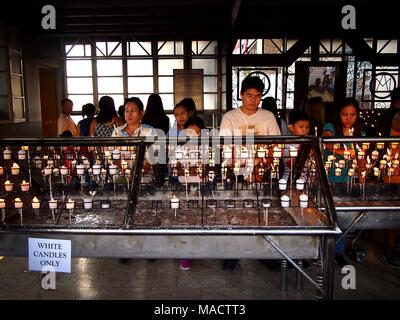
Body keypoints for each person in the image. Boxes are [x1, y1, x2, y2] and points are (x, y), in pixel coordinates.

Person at [219, 76, 280, 272]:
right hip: (237, 172)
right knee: (237, 211)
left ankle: (265, 253)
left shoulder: (268, 117)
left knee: (264, 213)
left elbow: (276, 146)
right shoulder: (230, 117)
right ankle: (234, 253)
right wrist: (245, 171)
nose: (253, 100)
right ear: (241, 95)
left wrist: (263, 168)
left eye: (257, 96)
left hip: (264, 172)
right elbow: (226, 148)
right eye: (249, 95)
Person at [322, 98, 366, 269]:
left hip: (348, 180)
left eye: (353, 115)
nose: (348, 119)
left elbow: (361, 156)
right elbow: (328, 143)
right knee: (329, 218)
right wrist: (348, 151)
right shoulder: (331, 127)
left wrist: (361, 179)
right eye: (345, 114)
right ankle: (323, 252)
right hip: (329, 179)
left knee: (344, 219)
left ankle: (338, 253)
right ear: (338, 114)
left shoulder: (359, 133)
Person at [178, 115, 207, 271]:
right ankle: (185, 253)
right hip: (185, 187)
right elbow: (177, 167)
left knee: (202, 218)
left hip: (203, 188)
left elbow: (208, 167)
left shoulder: (207, 148)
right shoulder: (180, 148)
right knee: (186, 220)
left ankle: (202, 248)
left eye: (197, 132)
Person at [376, 88, 400, 269]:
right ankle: (390, 245)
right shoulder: (396, 116)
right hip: (394, 166)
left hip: (390, 164)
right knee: (394, 205)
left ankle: (391, 243)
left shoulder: (386, 115)